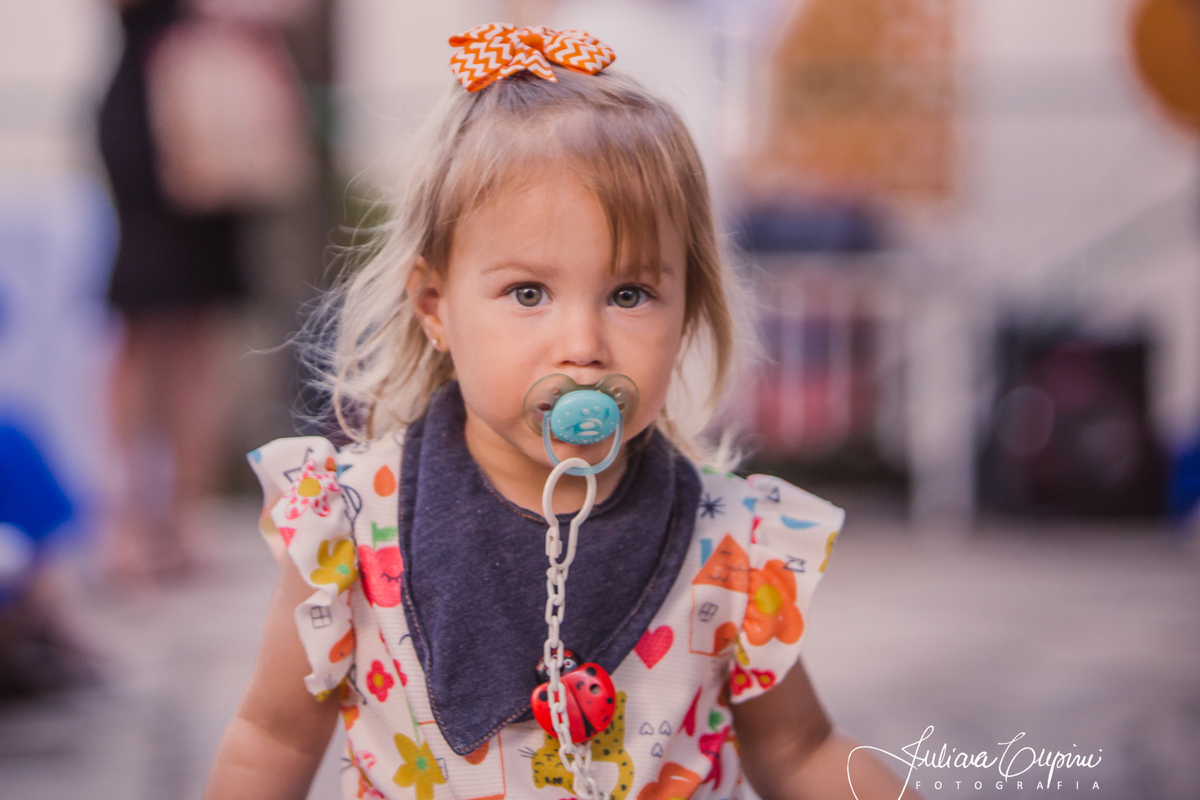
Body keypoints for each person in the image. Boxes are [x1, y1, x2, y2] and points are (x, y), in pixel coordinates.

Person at [205, 24, 918, 800]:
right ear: (436, 307)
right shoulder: (349, 526)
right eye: (528, 293)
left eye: (629, 294)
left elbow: (802, 750)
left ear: (687, 313)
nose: (583, 345)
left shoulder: (728, 547)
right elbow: (272, 738)